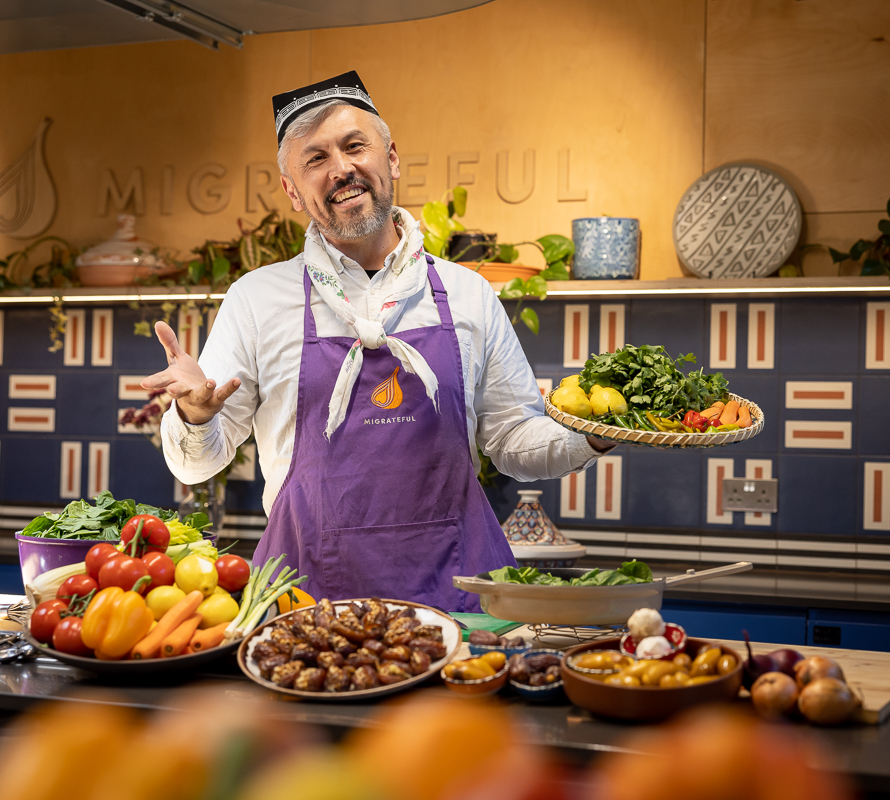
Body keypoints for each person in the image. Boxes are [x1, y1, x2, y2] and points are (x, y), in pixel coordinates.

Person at [145, 71, 613, 611]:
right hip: (307, 606)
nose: (340, 169)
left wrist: (593, 436)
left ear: (391, 159)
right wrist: (196, 418)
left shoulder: (467, 293)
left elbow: (512, 440)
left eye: (354, 146)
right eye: (315, 159)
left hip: (462, 599)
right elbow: (195, 465)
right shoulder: (255, 300)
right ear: (292, 190)